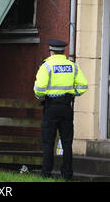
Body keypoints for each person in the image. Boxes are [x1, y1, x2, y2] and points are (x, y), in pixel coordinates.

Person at [33, 39, 88, 180]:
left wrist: (43, 94)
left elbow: (38, 91)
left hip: (51, 107)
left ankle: (46, 173)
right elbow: (83, 86)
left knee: (48, 142)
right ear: (62, 51)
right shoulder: (72, 66)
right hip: (66, 106)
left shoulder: (46, 66)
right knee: (67, 142)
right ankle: (67, 174)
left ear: (51, 51)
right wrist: (70, 93)